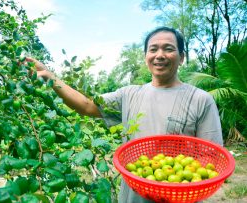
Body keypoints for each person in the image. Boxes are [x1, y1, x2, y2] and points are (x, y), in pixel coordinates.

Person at [26, 26, 223, 203]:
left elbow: (212, 158)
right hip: (132, 197)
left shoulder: (200, 100)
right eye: (153, 49)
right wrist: (51, 77)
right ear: (146, 56)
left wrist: (178, 186)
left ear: (181, 57)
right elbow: (86, 106)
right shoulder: (128, 95)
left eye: (168, 49)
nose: (159, 55)